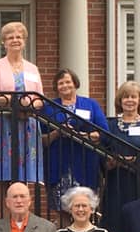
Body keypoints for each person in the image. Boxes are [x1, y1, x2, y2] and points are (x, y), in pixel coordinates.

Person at [0, 22, 44, 190]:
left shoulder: (32, 68)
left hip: (27, 124)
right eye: (10, 37)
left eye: (19, 37)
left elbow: (39, 98)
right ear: (4, 42)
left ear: (24, 41)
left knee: (22, 175)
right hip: (2, 123)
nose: (15, 40)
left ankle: (20, 215)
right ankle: (4, 215)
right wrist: (18, 102)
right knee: (2, 173)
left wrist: (29, 107)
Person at [41, 68, 108, 212]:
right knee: (62, 209)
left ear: (75, 83)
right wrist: (57, 133)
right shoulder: (48, 107)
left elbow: (103, 133)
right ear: (56, 87)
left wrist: (80, 135)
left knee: (85, 207)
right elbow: (41, 139)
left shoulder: (90, 104)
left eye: (68, 82)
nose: (65, 85)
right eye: (61, 83)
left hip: (85, 163)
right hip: (59, 165)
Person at [101, 82, 140, 232]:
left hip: (139, 184)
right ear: (120, 101)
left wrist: (134, 160)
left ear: (139, 101)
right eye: (125, 97)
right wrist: (109, 161)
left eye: (133, 97)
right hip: (116, 183)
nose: (129, 100)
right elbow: (101, 152)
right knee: (117, 227)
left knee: (139, 227)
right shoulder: (111, 125)